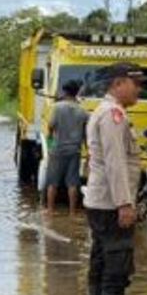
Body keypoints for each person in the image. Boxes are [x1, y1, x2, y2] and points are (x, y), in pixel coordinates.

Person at [83, 62, 146, 295]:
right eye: (137, 84)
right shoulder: (113, 115)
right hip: (110, 204)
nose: (140, 90)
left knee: (100, 266)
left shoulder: (106, 112)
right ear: (119, 84)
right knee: (116, 269)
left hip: (100, 202)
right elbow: (115, 163)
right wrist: (125, 203)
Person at [44, 79, 88, 214]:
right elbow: (86, 134)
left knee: (53, 182)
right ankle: (72, 212)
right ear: (77, 92)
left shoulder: (57, 107)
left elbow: (50, 127)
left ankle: (50, 210)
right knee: (73, 182)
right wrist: (88, 151)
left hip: (58, 149)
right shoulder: (82, 111)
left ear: (64, 91)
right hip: (75, 150)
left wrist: (50, 146)